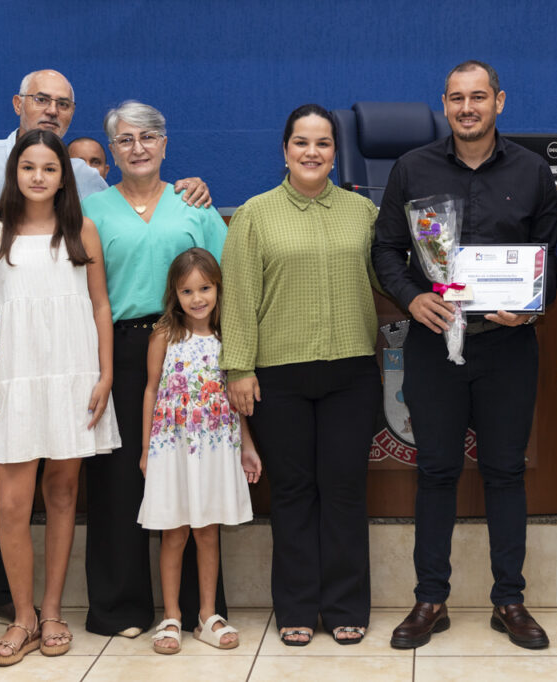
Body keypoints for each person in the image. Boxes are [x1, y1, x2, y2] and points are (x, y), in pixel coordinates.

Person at [0, 68, 209, 650]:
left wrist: (190, 186)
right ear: (18, 102)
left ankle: (13, 601)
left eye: (64, 104)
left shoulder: (84, 179)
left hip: (63, 353)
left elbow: (133, 203)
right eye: (42, 99)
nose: (52, 111)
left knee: (47, 484)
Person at [371, 60, 557, 650]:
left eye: (479, 97)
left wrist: (531, 307)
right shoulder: (413, 168)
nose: (468, 108)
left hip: (508, 347)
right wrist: (412, 297)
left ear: (499, 101)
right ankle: (431, 599)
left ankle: (510, 600)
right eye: (457, 98)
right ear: (445, 104)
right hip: (434, 345)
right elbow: (384, 250)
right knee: (435, 472)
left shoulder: (531, 170)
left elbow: (554, 254)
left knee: (505, 472)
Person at [221, 103, 381, 646]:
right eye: (301, 142)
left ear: (336, 152)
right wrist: (239, 368)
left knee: (344, 490)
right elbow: (239, 299)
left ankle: (345, 606)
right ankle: (295, 607)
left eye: (323, 143)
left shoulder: (362, 213)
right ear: (285, 150)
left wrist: (441, 277)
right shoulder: (255, 214)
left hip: (351, 373)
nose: (312, 152)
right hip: (278, 377)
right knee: (292, 493)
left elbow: (386, 278)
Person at [0, 129, 120, 665]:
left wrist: (105, 375)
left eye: (49, 168)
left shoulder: (83, 230)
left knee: (62, 492)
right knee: (11, 502)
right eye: (28, 167)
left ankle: (52, 611)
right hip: (16, 381)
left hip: (74, 376)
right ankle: (22, 617)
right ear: (15, 172)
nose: (38, 176)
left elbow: (100, 305)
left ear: (63, 177)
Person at [82, 100, 229, 638]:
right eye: (125, 139)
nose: (137, 148)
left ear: (165, 144)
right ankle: (120, 608)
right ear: (112, 150)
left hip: (191, 349)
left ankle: (196, 609)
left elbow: (227, 280)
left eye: (147, 137)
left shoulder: (193, 203)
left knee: (192, 478)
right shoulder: (92, 211)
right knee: (119, 479)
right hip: (118, 350)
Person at [139, 248, 261, 654]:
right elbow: (151, 390)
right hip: (172, 448)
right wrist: (146, 449)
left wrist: (246, 445)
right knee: (173, 532)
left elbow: (236, 398)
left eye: (205, 288)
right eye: (187, 290)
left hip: (215, 447)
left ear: (218, 288)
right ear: (175, 294)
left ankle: (207, 615)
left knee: (208, 531)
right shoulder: (164, 335)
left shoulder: (229, 337)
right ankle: (172, 616)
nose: (197, 298)